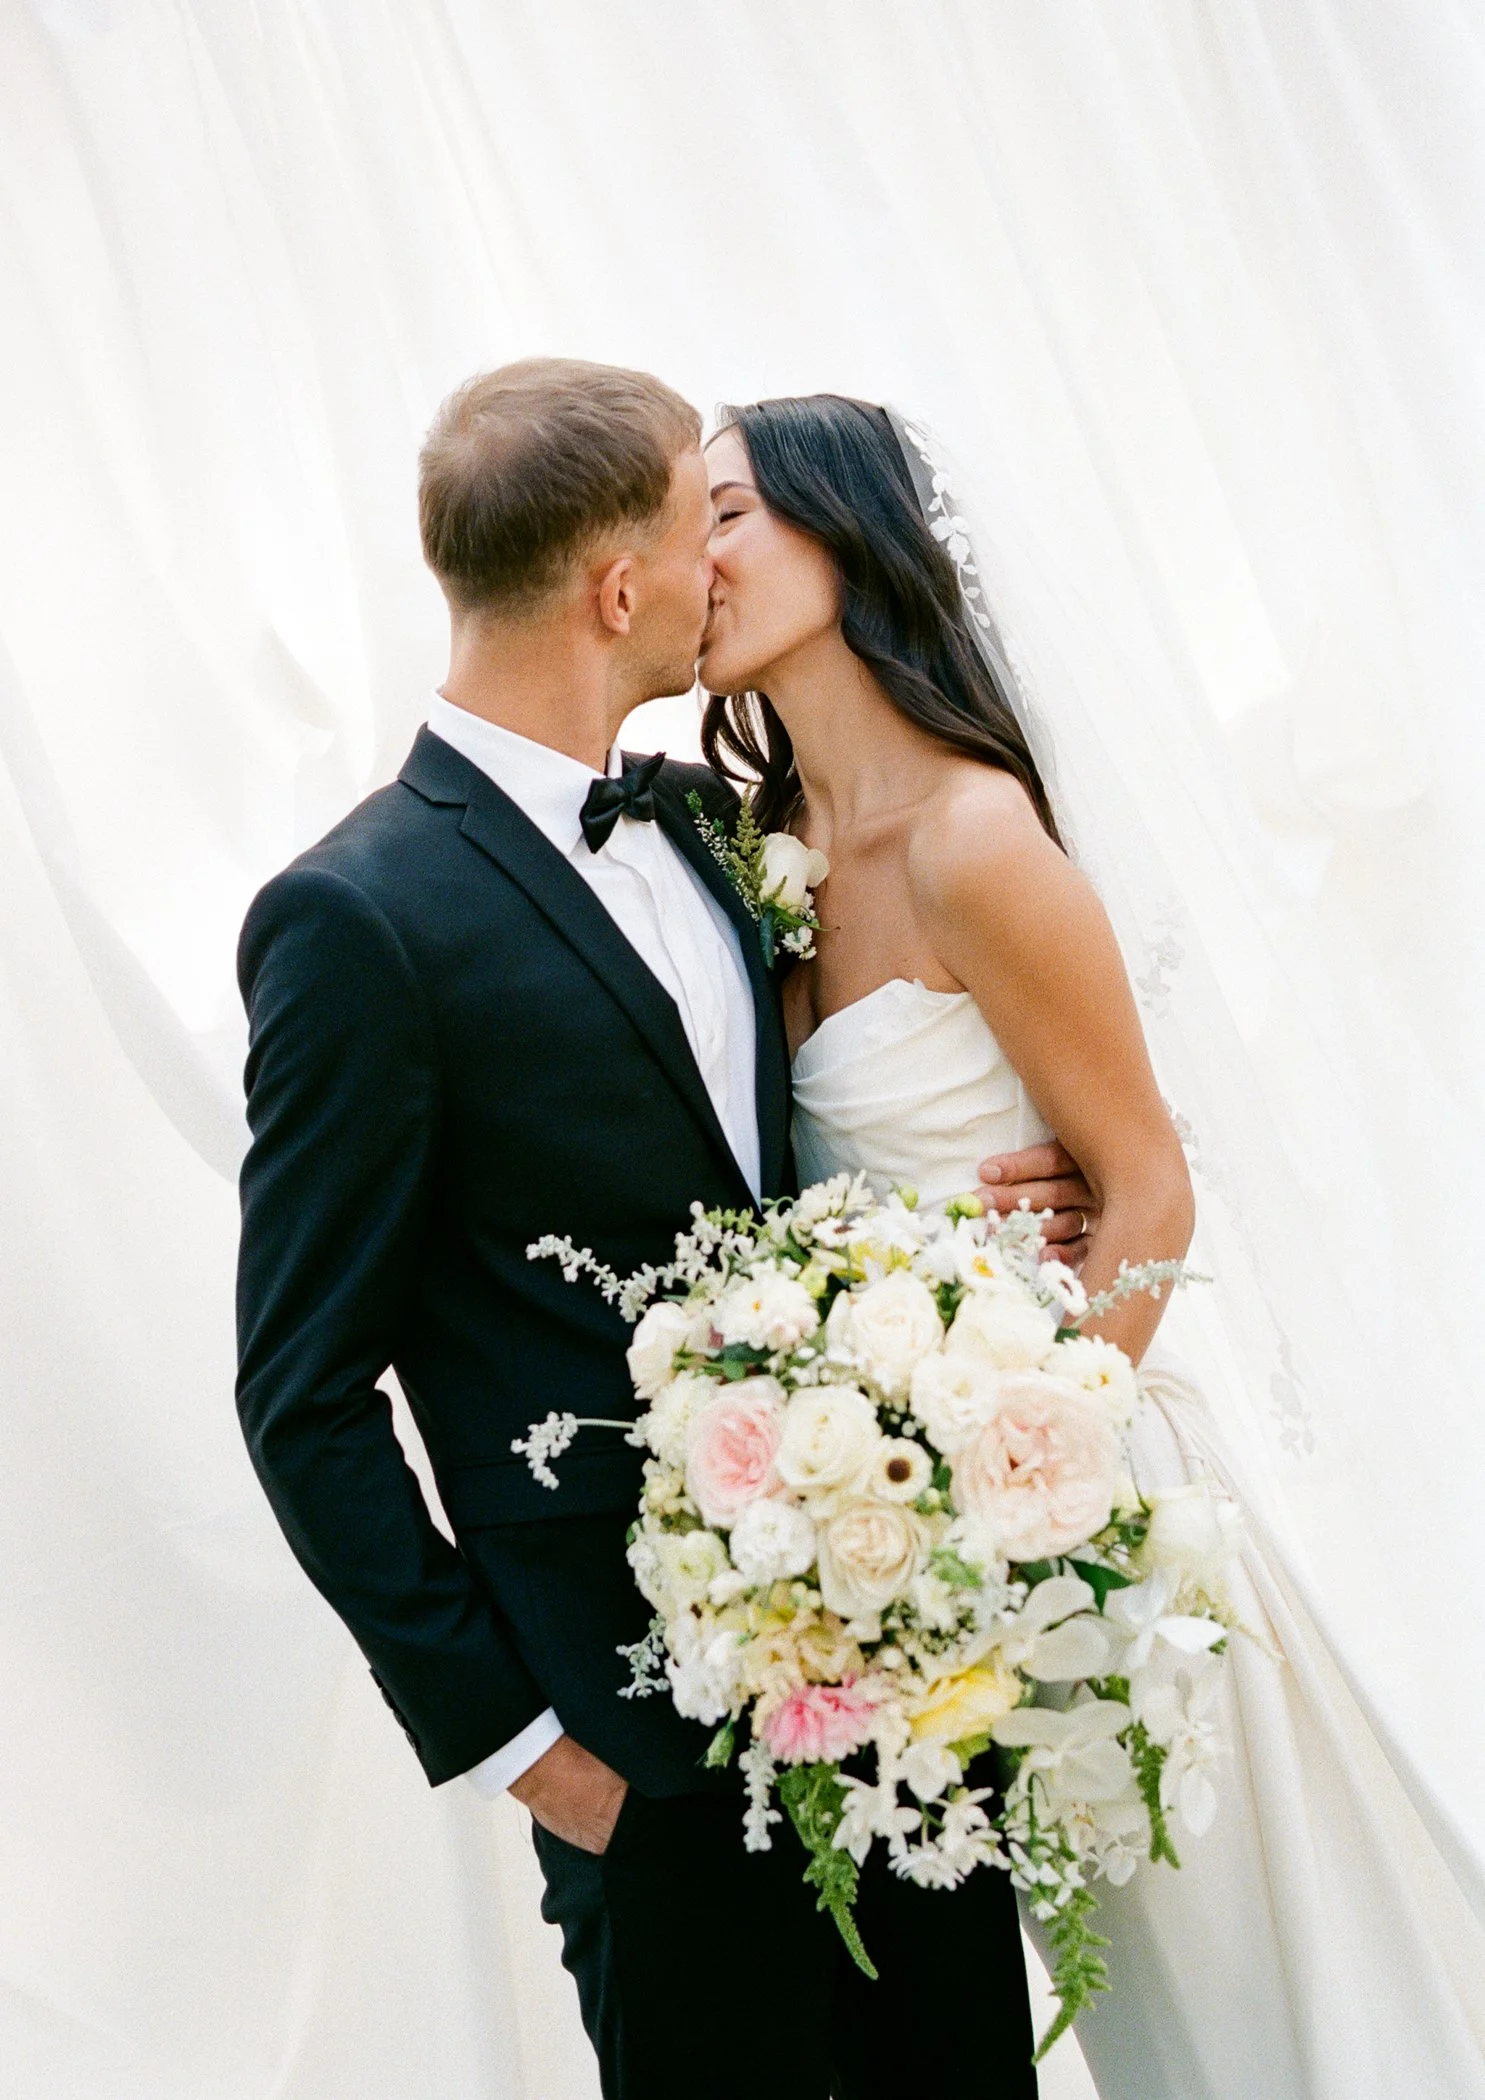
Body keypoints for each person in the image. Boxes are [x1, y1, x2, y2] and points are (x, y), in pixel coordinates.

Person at [233, 358, 1095, 2099]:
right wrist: (537, 1755)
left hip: (901, 1699)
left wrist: (1023, 1199)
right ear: (618, 592)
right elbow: (300, 1395)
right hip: (646, 1768)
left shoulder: (717, 831)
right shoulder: (354, 920)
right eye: (694, 538)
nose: (722, 569)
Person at [697, 392, 1485, 2100]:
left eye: (731, 512)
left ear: (848, 529)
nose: (695, 556)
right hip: (937, 1562)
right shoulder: (768, 861)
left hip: (1099, 1534)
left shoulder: (978, 838)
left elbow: (1147, 1189)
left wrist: (1019, 1494)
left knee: (1232, 2014)